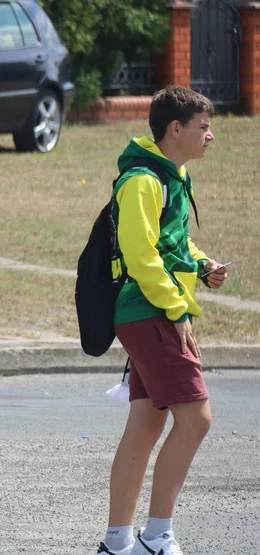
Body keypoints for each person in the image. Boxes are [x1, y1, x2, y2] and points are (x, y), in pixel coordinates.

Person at [90, 86, 227, 555]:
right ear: (176, 129)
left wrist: (203, 264)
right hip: (151, 310)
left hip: (153, 309)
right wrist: (176, 308)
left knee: (146, 427)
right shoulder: (143, 181)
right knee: (197, 420)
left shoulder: (171, 176)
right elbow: (140, 254)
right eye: (203, 126)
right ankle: (157, 535)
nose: (209, 135)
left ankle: (117, 542)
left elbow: (171, 242)